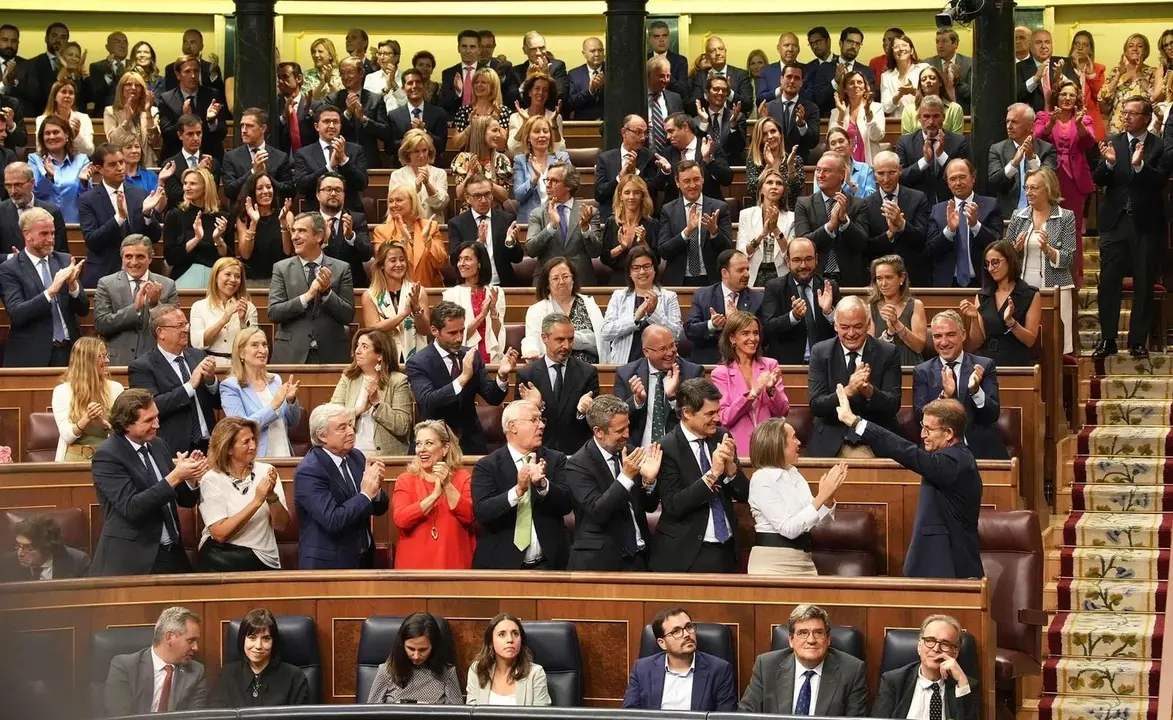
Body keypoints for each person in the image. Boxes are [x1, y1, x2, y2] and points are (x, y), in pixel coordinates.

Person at [834, 384, 983, 578]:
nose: (922, 435)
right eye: (922, 427)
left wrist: (855, 422)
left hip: (949, 569)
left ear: (948, 433)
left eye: (928, 429)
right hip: (937, 568)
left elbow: (906, 451)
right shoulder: (950, 458)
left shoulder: (955, 462)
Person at [89, 389, 206, 576]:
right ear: (126, 424)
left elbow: (186, 501)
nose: (157, 425)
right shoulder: (108, 455)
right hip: (135, 559)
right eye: (149, 420)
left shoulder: (158, 445)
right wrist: (176, 476)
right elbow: (132, 507)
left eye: (156, 417)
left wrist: (190, 478)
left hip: (173, 553)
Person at [1091, 96, 1167, 358]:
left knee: (1144, 283)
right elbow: (1098, 178)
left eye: (1132, 114)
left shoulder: (1160, 146)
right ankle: (1108, 339)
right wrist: (1110, 163)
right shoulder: (1113, 141)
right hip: (1115, 223)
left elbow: (1159, 181)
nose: (1126, 117)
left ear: (1146, 118)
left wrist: (1140, 166)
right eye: (1124, 113)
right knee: (1108, 283)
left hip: (1146, 225)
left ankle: (1137, 341)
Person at [650, 378, 749, 573]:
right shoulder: (667, 447)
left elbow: (744, 494)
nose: (717, 418)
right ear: (687, 413)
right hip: (686, 552)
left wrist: (730, 471)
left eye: (717, 411)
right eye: (710, 413)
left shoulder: (722, 437)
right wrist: (713, 474)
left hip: (726, 548)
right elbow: (674, 505)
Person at [470, 399, 575, 570]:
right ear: (513, 427)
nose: (541, 425)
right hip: (503, 567)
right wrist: (518, 490)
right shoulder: (487, 466)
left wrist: (543, 485)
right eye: (534, 420)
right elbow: (483, 512)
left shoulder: (555, 459)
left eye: (542, 420)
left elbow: (567, 503)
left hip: (550, 565)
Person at [565, 394, 662, 571]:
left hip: (639, 558)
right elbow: (598, 512)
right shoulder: (577, 465)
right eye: (619, 431)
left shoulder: (631, 453)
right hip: (599, 563)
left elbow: (649, 506)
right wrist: (625, 477)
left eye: (627, 427)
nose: (626, 435)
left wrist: (650, 481)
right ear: (598, 432)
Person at [406, 301, 514, 454]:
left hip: (471, 444)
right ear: (434, 330)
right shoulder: (418, 363)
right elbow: (428, 402)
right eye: (452, 333)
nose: (459, 338)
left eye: (461, 331)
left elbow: (493, 398)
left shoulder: (471, 356)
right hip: (435, 444)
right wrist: (462, 379)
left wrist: (502, 375)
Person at [294, 403, 389, 570]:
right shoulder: (309, 471)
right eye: (342, 428)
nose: (351, 431)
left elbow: (380, 509)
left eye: (350, 425)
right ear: (322, 436)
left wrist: (376, 488)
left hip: (364, 559)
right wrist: (366, 494)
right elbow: (333, 520)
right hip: (329, 565)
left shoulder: (356, 457)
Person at [806, 296, 901, 458]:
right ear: (835, 326)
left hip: (874, 435)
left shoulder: (888, 352)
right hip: (832, 436)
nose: (851, 333)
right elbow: (817, 405)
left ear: (868, 324)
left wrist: (869, 391)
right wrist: (848, 391)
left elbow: (893, 405)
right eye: (844, 327)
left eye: (857, 327)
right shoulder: (820, 352)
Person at [745, 419, 840, 576]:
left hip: (804, 560)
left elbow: (814, 522)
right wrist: (821, 496)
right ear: (777, 445)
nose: (799, 442)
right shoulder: (761, 479)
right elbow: (789, 529)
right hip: (772, 565)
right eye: (794, 438)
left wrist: (827, 498)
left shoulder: (794, 473)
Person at [197, 416, 291, 571]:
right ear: (228, 448)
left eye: (254, 439)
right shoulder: (212, 479)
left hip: (264, 557)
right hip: (222, 558)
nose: (253, 446)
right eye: (246, 442)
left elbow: (282, 526)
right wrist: (257, 501)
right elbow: (220, 534)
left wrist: (271, 496)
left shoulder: (267, 471)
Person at [739, 604, 869, 714]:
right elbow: (745, 715)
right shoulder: (766, 666)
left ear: (828, 639)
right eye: (803, 633)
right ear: (791, 640)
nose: (811, 640)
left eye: (818, 633)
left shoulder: (852, 671)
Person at [0, 207, 88, 367]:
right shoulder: (10, 268)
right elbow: (16, 314)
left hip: (70, 353)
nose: (51, 239)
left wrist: (73, 286)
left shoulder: (64, 260)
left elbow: (83, 310)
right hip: (32, 355)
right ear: (27, 234)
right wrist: (50, 291)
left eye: (52, 233)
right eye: (44, 234)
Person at [128, 303, 220, 454]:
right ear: (161, 332)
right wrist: (189, 386)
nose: (186, 329)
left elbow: (217, 403)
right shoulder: (142, 367)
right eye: (179, 326)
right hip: (174, 449)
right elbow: (153, 406)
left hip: (209, 446)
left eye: (186, 324)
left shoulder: (198, 356)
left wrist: (211, 381)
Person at [914, 310, 1007, 460]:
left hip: (980, 449)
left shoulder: (984, 365)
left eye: (950, 335)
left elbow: (992, 415)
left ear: (963, 335)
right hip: (937, 452)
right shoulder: (922, 371)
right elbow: (920, 415)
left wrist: (976, 391)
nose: (944, 342)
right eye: (938, 336)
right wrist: (945, 396)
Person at [269, 212, 355, 365]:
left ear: (318, 236)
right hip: (291, 354)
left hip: (331, 355)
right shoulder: (281, 268)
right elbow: (274, 313)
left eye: (301, 231)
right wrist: (307, 296)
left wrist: (327, 293)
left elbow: (348, 315)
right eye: (293, 231)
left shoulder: (341, 268)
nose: (295, 236)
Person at [1006, 167, 1076, 352]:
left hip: (1057, 286)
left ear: (1048, 189)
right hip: (1024, 287)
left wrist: (1048, 250)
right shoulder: (1018, 216)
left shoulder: (1065, 217)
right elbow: (1004, 255)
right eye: (1026, 187)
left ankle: (1057, 377)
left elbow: (1069, 257)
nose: (1028, 192)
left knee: (1056, 340)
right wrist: (1014, 249)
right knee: (1027, 336)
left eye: (1034, 188)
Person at [76, 142, 165, 287]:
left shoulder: (139, 194)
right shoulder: (88, 200)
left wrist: (147, 214)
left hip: (138, 274)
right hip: (104, 273)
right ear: (99, 168)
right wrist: (119, 219)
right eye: (112, 164)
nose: (120, 168)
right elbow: (92, 240)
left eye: (121, 162)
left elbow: (154, 237)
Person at [1034, 79, 1098, 282]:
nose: (1067, 98)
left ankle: (1074, 275)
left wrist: (1079, 125)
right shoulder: (1044, 116)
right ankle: (1048, 272)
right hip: (1050, 178)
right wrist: (1051, 124)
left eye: (1072, 95)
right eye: (1063, 94)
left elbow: (1089, 142)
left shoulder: (1084, 118)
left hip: (1075, 180)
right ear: (1056, 97)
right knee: (1049, 224)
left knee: (1073, 227)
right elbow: (1036, 139)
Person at [393, 420, 476, 570]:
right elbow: (401, 519)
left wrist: (447, 486)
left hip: (454, 566)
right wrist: (434, 496)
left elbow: (469, 515)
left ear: (445, 448)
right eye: (418, 444)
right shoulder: (405, 480)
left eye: (429, 443)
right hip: (414, 569)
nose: (421, 450)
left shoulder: (462, 478)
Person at [622, 607, 736, 711]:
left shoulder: (720, 670)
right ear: (662, 643)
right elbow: (630, 714)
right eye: (676, 631)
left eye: (688, 627)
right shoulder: (642, 669)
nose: (687, 634)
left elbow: (724, 716)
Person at [517, 312, 600, 454]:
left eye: (570, 339)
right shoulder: (527, 375)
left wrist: (583, 412)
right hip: (540, 453)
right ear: (544, 338)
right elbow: (520, 422)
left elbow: (595, 424)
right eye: (560, 340)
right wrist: (537, 406)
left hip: (576, 455)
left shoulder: (587, 373)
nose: (567, 346)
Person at [712, 311, 790, 455]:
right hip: (739, 447)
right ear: (732, 338)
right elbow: (724, 417)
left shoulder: (770, 365)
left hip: (770, 445)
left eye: (755, 333)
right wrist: (753, 393)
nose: (753, 338)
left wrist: (771, 390)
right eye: (745, 333)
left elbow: (783, 410)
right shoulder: (721, 373)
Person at [873, 614, 978, 720]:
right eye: (930, 640)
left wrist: (962, 682)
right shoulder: (893, 682)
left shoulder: (965, 686)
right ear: (919, 646)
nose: (936, 649)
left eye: (945, 644)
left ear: (955, 653)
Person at [104, 607, 207, 714]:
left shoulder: (196, 672)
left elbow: (196, 716)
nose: (195, 647)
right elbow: (120, 715)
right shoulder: (125, 666)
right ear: (169, 637)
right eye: (190, 641)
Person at [614, 324, 704, 444]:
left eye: (672, 345)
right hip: (638, 452)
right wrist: (637, 401)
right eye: (662, 349)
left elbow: (698, 417)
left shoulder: (692, 373)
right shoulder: (626, 374)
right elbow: (616, 418)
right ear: (646, 352)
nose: (670, 353)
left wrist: (673, 398)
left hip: (678, 452)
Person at [93, 235, 176, 366]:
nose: (134, 262)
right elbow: (101, 325)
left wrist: (155, 305)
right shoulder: (106, 284)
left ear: (150, 259)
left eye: (140, 257)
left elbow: (174, 328)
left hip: (156, 362)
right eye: (128, 257)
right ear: (122, 258)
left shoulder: (167, 285)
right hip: (118, 361)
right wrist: (135, 309)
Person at [219, 327, 301, 458]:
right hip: (255, 457)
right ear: (241, 353)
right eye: (254, 345)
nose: (262, 350)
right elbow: (241, 428)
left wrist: (290, 401)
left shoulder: (275, 380)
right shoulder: (230, 386)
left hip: (284, 453)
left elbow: (293, 422)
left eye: (264, 345)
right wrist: (273, 405)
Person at [331, 328, 414, 456]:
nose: (357, 351)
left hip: (385, 457)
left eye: (364, 347)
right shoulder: (348, 378)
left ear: (380, 355)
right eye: (357, 345)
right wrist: (358, 410)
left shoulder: (398, 381)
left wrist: (377, 404)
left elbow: (402, 426)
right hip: (349, 454)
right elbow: (331, 416)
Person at [962, 239, 1043, 367]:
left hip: (1015, 360)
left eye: (995, 263)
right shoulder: (983, 295)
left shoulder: (1029, 294)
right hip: (986, 361)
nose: (990, 269)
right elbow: (978, 341)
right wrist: (974, 318)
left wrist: (1011, 323)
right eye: (987, 264)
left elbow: (1030, 341)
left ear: (1010, 260)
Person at [794, 152, 871, 287]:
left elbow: (862, 243)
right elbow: (803, 243)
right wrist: (830, 226)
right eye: (818, 170)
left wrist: (845, 222)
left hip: (851, 280)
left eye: (826, 171)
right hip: (816, 279)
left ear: (842, 174)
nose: (820, 175)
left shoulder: (858, 204)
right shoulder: (804, 204)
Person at [761, 237, 840, 365]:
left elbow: (844, 329)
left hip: (825, 364)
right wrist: (793, 317)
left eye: (808, 259)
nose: (803, 265)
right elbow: (767, 328)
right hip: (788, 365)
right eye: (797, 260)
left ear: (816, 259)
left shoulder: (829, 287)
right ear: (788, 261)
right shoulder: (774, 287)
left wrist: (829, 313)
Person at [210, 608, 311, 708]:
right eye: (252, 638)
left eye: (266, 639)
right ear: (242, 640)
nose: (258, 646)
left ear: (274, 642)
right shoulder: (225, 676)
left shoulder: (294, 678)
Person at [927, 159, 1004, 288]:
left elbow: (997, 244)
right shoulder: (938, 210)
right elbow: (930, 251)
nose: (958, 183)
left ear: (973, 177)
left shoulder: (991, 205)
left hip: (983, 282)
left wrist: (975, 225)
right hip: (947, 284)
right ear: (947, 183)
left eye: (962, 177)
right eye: (952, 179)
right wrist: (949, 231)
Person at [658, 161, 734, 286]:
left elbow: (728, 249)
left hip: (712, 281)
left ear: (703, 179)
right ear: (678, 183)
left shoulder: (719, 208)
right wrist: (686, 232)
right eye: (687, 181)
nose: (692, 185)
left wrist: (714, 232)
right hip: (679, 281)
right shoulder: (668, 210)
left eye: (696, 179)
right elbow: (664, 251)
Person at [601, 245, 682, 363]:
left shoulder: (669, 297)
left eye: (646, 266)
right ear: (629, 272)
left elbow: (676, 334)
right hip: (625, 363)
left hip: (661, 364)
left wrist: (653, 314)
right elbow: (606, 332)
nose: (642, 271)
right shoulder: (618, 296)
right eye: (636, 268)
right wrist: (635, 319)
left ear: (654, 269)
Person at [525, 162, 600, 284]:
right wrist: (551, 227)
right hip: (547, 282)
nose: (548, 185)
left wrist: (586, 228)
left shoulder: (589, 212)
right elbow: (531, 250)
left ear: (569, 185)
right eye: (547, 180)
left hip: (580, 281)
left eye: (554, 181)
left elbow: (595, 252)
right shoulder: (537, 214)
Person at [51, 336, 124, 461]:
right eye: (101, 356)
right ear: (86, 361)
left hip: (110, 458)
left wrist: (105, 424)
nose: (107, 360)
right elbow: (67, 436)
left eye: (107, 355)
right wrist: (87, 418)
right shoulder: (62, 391)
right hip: (75, 458)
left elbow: (125, 431)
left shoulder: (116, 389)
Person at [684, 249, 763, 364]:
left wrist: (739, 321)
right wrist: (712, 325)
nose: (747, 274)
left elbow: (764, 334)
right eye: (741, 270)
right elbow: (690, 330)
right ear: (725, 273)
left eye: (747, 269)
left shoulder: (758, 298)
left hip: (746, 362)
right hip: (710, 361)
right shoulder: (703, 296)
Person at [867, 150, 933, 287]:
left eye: (891, 173)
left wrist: (902, 224)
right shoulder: (865, 204)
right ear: (874, 173)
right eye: (880, 173)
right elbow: (866, 247)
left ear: (900, 170)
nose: (886, 179)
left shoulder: (918, 198)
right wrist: (890, 234)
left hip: (913, 276)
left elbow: (923, 240)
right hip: (880, 280)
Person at [367, 612, 462, 704]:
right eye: (411, 649)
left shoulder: (447, 673)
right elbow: (370, 713)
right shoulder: (386, 672)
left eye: (423, 650)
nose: (416, 656)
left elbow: (458, 715)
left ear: (434, 646)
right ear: (402, 645)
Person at [522, 256, 605, 362]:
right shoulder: (536, 310)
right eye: (555, 278)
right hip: (554, 370)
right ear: (547, 284)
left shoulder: (589, 304)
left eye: (565, 276)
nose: (561, 282)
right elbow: (531, 340)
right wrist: (531, 351)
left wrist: (574, 340)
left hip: (590, 369)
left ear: (573, 279)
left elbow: (601, 341)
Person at [448, 174, 524, 286]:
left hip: (502, 285)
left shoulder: (506, 219)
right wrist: (478, 243)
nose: (483, 200)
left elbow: (517, 258)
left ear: (492, 195)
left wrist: (510, 243)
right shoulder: (457, 223)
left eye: (487, 194)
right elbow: (455, 259)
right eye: (477, 196)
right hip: (470, 287)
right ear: (467, 198)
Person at [895, 95, 972, 206]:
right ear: (919, 118)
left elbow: (964, 175)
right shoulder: (905, 142)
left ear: (944, 117)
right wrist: (925, 161)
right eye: (926, 116)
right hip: (916, 206)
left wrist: (941, 156)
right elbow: (900, 177)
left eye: (936, 116)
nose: (931, 122)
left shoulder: (959, 142)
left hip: (950, 204)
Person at [292, 105, 369, 213]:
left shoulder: (355, 150)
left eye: (335, 122)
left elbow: (362, 184)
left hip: (349, 213)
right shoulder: (304, 153)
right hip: (315, 215)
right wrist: (329, 167)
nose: (332, 126)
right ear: (316, 126)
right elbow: (301, 186)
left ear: (340, 125)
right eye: (326, 121)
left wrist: (344, 160)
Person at [164, 167, 231, 289]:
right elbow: (170, 258)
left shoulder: (222, 217)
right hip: (183, 275)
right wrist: (196, 239)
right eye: (185, 183)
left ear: (206, 187)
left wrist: (218, 240)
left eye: (193, 183)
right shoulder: (174, 215)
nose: (187, 187)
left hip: (216, 278)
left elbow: (229, 259)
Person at [988, 103, 1058, 218]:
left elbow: (1049, 183)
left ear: (1030, 126)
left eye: (1014, 122)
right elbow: (994, 184)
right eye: (1007, 121)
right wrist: (1014, 164)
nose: (1009, 126)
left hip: (1040, 216)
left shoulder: (1047, 149)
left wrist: (1032, 159)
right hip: (1008, 217)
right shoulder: (997, 150)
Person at [364, 240, 429, 364]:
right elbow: (373, 329)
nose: (399, 264)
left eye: (402, 259)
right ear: (382, 265)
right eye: (393, 260)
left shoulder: (417, 291)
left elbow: (425, 330)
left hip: (417, 361)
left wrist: (416, 310)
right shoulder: (370, 295)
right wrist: (404, 314)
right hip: (385, 360)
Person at [465, 613, 552, 706]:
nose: (510, 639)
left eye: (515, 633)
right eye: (502, 634)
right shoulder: (478, 670)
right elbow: (471, 714)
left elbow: (540, 716)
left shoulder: (535, 673)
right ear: (491, 642)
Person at [371, 183, 445, 288]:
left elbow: (441, 263)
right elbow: (382, 263)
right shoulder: (381, 231)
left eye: (399, 200)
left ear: (413, 202)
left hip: (429, 291)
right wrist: (403, 239)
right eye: (391, 201)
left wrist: (427, 240)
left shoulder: (431, 227)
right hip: (395, 292)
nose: (393, 205)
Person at [157, 56, 230, 161]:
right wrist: (183, 118)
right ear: (178, 75)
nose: (193, 75)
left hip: (209, 157)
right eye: (187, 72)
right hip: (177, 160)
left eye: (196, 71)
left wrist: (211, 121)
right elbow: (166, 134)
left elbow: (222, 133)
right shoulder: (167, 99)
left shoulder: (213, 95)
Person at [444, 242, 507, 363]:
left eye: (467, 259)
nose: (461, 264)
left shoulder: (496, 292)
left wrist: (493, 313)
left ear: (479, 263)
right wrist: (482, 315)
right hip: (463, 356)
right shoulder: (450, 295)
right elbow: (456, 336)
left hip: (491, 355)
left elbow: (498, 334)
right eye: (459, 259)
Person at [189, 257, 257, 366]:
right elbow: (197, 343)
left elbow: (254, 344)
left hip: (240, 366)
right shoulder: (199, 307)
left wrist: (242, 321)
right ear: (215, 277)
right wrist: (223, 321)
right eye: (228, 274)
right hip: (209, 367)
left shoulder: (249, 307)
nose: (233, 280)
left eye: (237, 276)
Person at [594, 115, 663, 220]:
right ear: (624, 132)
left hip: (642, 217)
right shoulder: (605, 159)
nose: (643, 137)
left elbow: (653, 192)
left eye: (645, 133)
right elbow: (599, 194)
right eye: (638, 132)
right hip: (611, 217)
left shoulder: (649, 157)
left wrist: (636, 173)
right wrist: (619, 178)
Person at [326, 57, 390, 170]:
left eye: (350, 72)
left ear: (361, 73)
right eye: (342, 74)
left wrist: (364, 119)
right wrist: (347, 113)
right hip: (340, 160)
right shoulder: (333, 100)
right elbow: (329, 132)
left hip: (369, 161)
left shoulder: (375, 99)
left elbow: (385, 132)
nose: (345, 77)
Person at [222, 108, 294, 204]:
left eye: (249, 126)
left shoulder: (280, 157)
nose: (244, 130)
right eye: (242, 126)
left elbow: (290, 192)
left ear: (263, 128)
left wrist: (265, 175)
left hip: (273, 214)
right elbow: (229, 192)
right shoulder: (231, 157)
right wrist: (253, 172)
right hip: (243, 215)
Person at [660, 111, 734, 204]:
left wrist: (709, 160)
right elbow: (658, 186)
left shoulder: (711, 147)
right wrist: (665, 172)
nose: (668, 137)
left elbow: (727, 179)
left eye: (671, 131)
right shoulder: (667, 153)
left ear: (685, 127)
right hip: (676, 213)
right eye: (666, 132)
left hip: (708, 210)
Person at [235, 172, 293, 286]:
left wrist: (283, 222)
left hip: (281, 278)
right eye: (260, 188)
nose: (266, 191)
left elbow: (288, 251)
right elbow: (245, 254)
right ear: (252, 192)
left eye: (269, 187)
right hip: (252, 279)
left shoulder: (286, 215)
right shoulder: (243, 218)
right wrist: (254, 223)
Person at [867, 254, 927, 365]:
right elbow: (870, 349)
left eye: (888, 277)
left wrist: (897, 324)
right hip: (882, 367)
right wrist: (889, 333)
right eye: (879, 278)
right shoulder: (871, 308)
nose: (883, 284)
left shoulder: (916, 305)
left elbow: (919, 347)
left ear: (901, 278)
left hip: (910, 366)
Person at [315, 172, 372, 288]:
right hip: (317, 286)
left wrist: (351, 236)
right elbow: (303, 255)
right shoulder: (310, 220)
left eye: (338, 190)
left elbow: (367, 254)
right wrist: (323, 242)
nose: (333, 193)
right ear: (318, 194)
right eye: (328, 189)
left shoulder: (356, 219)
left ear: (344, 194)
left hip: (351, 286)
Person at [29, 114, 89, 223]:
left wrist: (83, 182)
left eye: (56, 132)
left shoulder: (81, 160)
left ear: (66, 135)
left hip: (73, 224)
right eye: (47, 133)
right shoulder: (35, 159)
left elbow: (87, 199)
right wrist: (48, 176)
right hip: (42, 225)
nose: (51, 137)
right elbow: (35, 193)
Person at [0, 162, 68, 257]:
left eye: (18, 185)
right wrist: (12, 258)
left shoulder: (52, 211)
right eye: (8, 185)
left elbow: (62, 252)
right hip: (7, 270)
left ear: (32, 183)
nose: (13, 191)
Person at [762, 63, 820, 167]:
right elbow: (758, 140)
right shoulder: (768, 108)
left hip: (799, 166)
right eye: (789, 77)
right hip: (772, 164)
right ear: (781, 79)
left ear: (802, 83)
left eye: (797, 78)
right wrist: (763, 121)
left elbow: (813, 142)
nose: (792, 81)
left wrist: (802, 125)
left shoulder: (811, 108)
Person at [159, 114, 222, 210]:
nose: (196, 138)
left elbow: (213, 195)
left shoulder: (213, 163)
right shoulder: (170, 165)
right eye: (190, 134)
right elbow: (175, 197)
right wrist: (198, 172)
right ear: (180, 135)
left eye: (199, 133)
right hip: (179, 217)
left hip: (205, 214)